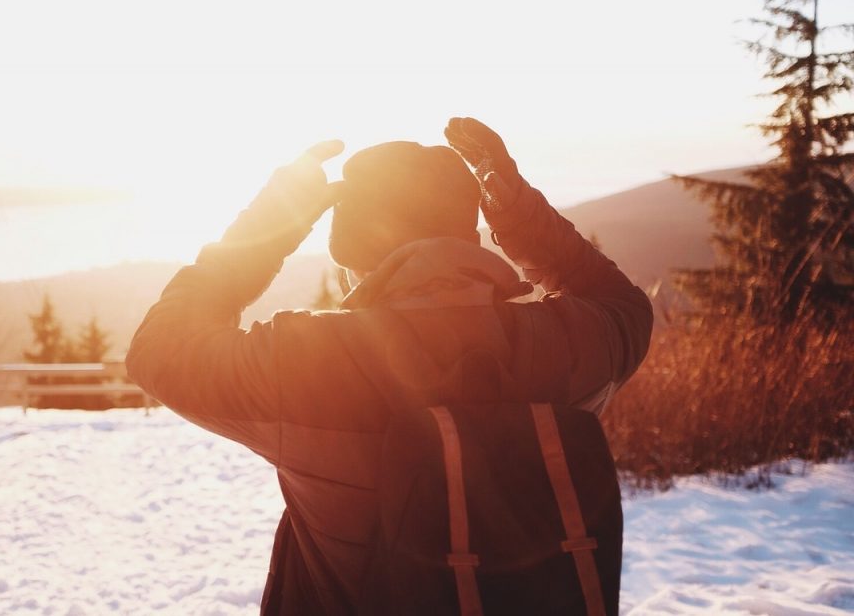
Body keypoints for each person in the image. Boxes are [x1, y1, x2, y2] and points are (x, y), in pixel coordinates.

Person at [126, 117, 654, 615]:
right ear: (463, 236)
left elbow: (161, 349)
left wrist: (269, 226)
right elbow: (625, 307)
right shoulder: (564, 345)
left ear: (354, 260)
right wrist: (519, 215)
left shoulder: (307, 361)